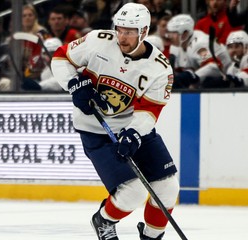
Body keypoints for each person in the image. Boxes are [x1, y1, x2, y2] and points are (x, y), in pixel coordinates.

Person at [51, 3, 179, 240]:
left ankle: (151, 237)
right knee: (133, 192)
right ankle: (103, 220)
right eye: (119, 29)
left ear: (144, 32)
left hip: (135, 128)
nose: (122, 36)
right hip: (96, 130)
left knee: (168, 188)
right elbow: (60, 58)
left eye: (129, 31)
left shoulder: (160, 69)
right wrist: (73, 84)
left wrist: (133, 133)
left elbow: (150, 110)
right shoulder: (98, 40)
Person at [166, 14, 232, 89]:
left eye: (174, 32)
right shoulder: (177, 46)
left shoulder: (199, 44)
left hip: (227, 80)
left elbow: (214, 67)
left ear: (185, 33)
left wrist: (193, 77)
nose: (169, 36)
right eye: (169, 33)